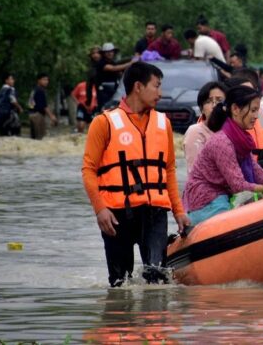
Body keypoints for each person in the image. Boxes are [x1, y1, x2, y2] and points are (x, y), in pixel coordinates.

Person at [81, 62, 191, 287]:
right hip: (116, 214)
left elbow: (168, 169)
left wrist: (179, 211)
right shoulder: (104, 123)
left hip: (154, 213)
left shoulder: (164, 123)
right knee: (120, 283)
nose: (161, 93)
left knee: (157, 279)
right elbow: (88, 169)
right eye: (157, 86)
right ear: (138, 87)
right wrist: (100, 209)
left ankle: (155, 320)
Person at [182, 85, 263, 225]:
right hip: (207, 203)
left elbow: (257, 171)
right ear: (236, 109)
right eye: (253, 110)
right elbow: (238, 184)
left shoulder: (239, 139)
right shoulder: (222, 141)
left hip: (223, 197)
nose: (256, 116)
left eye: (258, 111)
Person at [184, 81, 226, 173]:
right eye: (208, 101)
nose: (214, 105)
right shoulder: (196, 132)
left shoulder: (234, 131)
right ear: (202, 108)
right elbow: (197, 172)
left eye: (219, 101)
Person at [93, 43, 136, 111]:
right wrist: (130, 63)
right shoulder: (101, 63)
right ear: (103, 53)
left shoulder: (113, 62)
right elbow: (113, 68)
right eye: (107, 52)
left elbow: (119, 72)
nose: (110, 53)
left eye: (111, 51)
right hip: (104, 92)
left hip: (114, 91)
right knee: (104, 109)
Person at [28, 73, 58, 139]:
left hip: (32, 114)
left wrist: (31, 112)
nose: (46, 82)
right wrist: (52, 117)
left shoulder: (34, 90)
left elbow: (30, 103)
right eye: (44, 80)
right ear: (38, 80)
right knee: (40, 138)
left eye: (47, 80)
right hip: (38, 116)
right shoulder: (40, 91)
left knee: (33, 138)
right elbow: (44, 106)